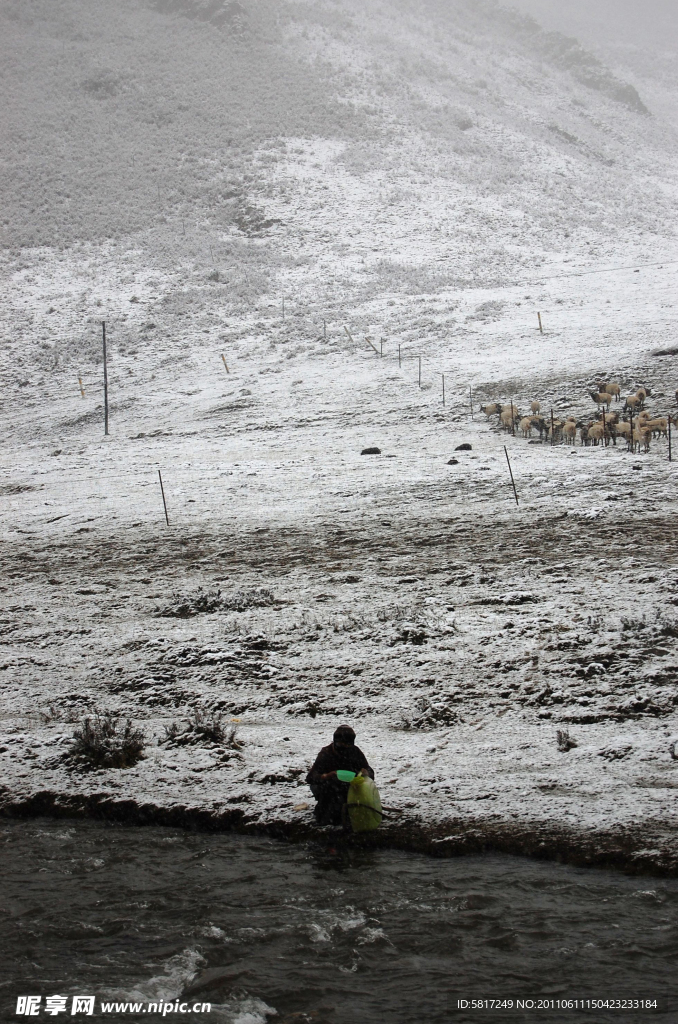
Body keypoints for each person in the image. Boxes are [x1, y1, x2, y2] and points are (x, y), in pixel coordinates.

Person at [306, 725, 375, 826]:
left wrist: (366, 773)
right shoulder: (326, 753)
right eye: (341, 745)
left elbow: (369, 771)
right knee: (330, 793)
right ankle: (325, 813)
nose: (344, 749)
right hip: (327, 785)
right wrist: (326, 776)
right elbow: (310, 778)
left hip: (349, 785)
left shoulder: (355, 752)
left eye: (347, 745)